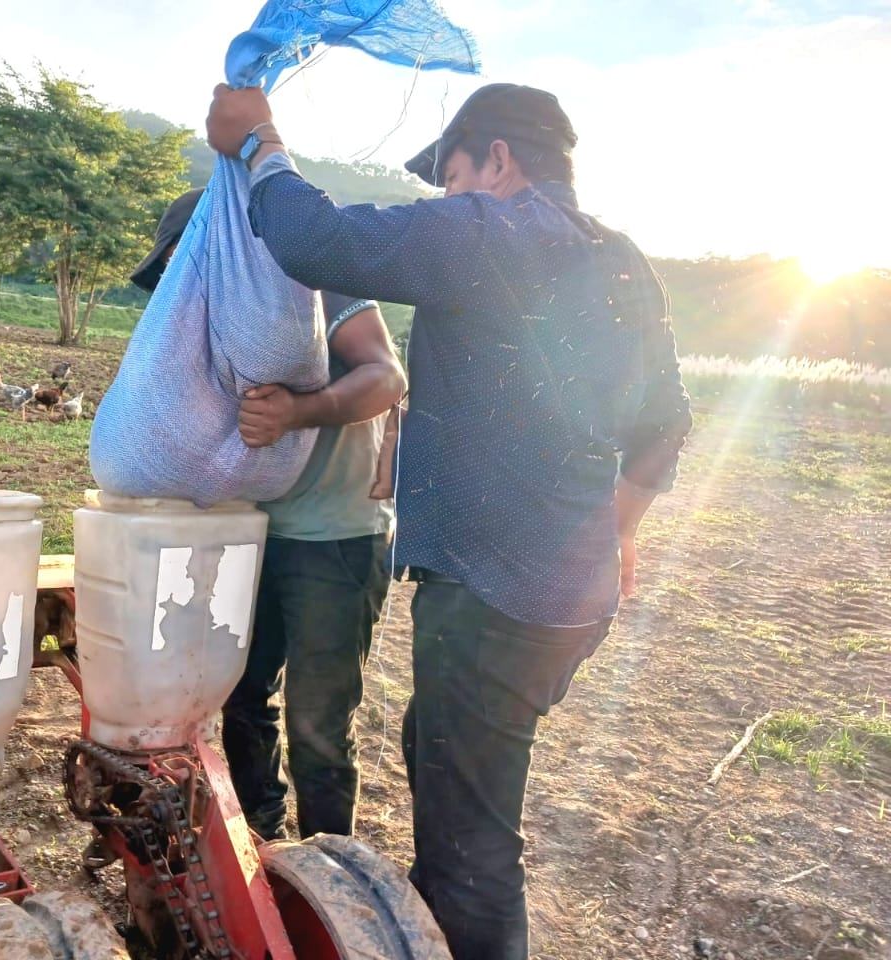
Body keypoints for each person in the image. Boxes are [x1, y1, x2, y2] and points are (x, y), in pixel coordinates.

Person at [206, 83, 693, 959]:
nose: (446, 197)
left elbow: (314, 239)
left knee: (472, 844)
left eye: (454, 174)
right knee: (446, 754)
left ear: (499, 160)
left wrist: (261, 143)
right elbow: (667, 426)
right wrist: (612, 533)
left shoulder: (489, 233)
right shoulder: (621, 259)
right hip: (567, 599)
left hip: (491, 595)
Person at [130, 189, 406, 841]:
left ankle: (329, 864)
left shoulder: (312, 283)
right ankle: (262, 832)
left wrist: (300, 411)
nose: (179, 286)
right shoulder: (193, 325)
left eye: (185, 266)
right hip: (243, 534)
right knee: (243, 694)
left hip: (332, 538)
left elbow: (387, 376)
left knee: (316, 722)